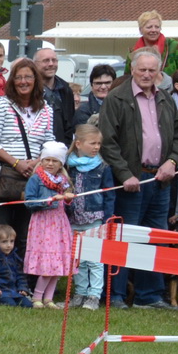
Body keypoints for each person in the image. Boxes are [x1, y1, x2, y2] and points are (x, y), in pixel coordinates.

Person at [99, 48, 178, 309]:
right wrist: (125, 174)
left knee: (156, 238)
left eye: (152, 70)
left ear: (159, 72)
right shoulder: (117, 98)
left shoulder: (166, 99)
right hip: (131, 183)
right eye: (142, 69)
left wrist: (172, 162)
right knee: (124, 239)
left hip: (160, 181)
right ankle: (115, 296)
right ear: (133, 70)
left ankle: (149, 296)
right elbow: (108, 142)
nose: (147, 74)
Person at [0, 57, 53, 251]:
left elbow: (49, 140)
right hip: (3, 178)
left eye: (28, 77)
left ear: (36, 80)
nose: (23, 81)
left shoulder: (46, 108)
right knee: (2, 233)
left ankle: (21, 278)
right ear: (12, 81)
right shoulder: (1, 104)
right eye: (19, 77)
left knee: (25, 234)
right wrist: (17, 163)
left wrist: (38, 162)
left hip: (33, 178)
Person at [20, 140, 75, 308]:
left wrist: (67, 200)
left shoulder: (64, 181)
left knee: (57, 262)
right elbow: (29, 202)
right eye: (47, 160)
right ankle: (37, 297)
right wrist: (49, 201)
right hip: (43, 225)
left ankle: (48, 298)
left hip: (59, 225)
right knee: (48, 262)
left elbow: (66, 206)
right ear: (41, 161)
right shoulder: (36, 180)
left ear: (61, 164)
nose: (50, 164)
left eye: (55, 161)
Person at [66, 124, 114, 311]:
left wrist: (107, 220)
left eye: (99, 144)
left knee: (94, 260)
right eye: (92, 143)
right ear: (78, 143)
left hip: (94, 219)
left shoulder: (103, 168)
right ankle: (79, 292)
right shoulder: (68, 166)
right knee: (77, 259)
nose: (96, 147)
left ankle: (94, 295)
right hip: (73, 219)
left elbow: (110, 195)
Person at [129, 10, 178, 80]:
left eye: (157, 27)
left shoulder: (173, 46)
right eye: (149, 27)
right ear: (140, 30)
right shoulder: (133, 51)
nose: (154, 30)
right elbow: (128, 76)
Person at [35, 47, 75, 144]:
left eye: (54, 60)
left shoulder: (65, 89)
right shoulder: (29, 89)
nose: (51, 64)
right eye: (46, 61)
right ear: (35, 64)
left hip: (59, 148)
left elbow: (70, 123)